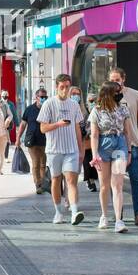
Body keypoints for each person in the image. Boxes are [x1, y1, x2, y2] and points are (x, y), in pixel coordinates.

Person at [37, 74, 86, 226]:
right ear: (57, 87)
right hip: (54, 150)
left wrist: (81, 148)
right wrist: (57, 124)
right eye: (62, 87)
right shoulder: (49, 104)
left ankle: (74, 212)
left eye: (67, 87)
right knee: (56, 180)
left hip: (71, 149)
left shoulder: (74, 105)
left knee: (71, 181)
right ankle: (58, 212)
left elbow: (78, 128)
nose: (65, 90)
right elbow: (43, 128)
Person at [89, 81, 138, 232]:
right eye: (116, 92)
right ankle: (104, 215)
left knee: (117, 184)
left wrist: (129, 151)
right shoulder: (96, 111)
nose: (119, 94)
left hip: (119, 144)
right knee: (104, 185)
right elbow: (94, 135)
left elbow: (128, 132)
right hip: (103, 145)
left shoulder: (123, 109)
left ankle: (118, 220)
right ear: (108, 94)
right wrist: (94, 154)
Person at [109, 67, 138, 226]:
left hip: (134, 143)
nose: (115, 83)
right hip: (116, 145)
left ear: (123, 79)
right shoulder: (106, 96)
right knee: (115, 181)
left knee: (135, 180)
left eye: (117, 79)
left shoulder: (135, 94)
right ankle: (118, 214)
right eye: (112, 80)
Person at [21, 89, 49, 195]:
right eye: (41, 97)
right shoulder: (29, 109)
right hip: (32, 141)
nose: (43, 99)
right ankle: (38, 184)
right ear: (36, 97)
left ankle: (42, 183)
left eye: (45, 97)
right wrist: (18, 138)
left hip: (45, 141)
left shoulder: (48, 109)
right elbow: (23, 125)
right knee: (36, 163)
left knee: (43, 164)